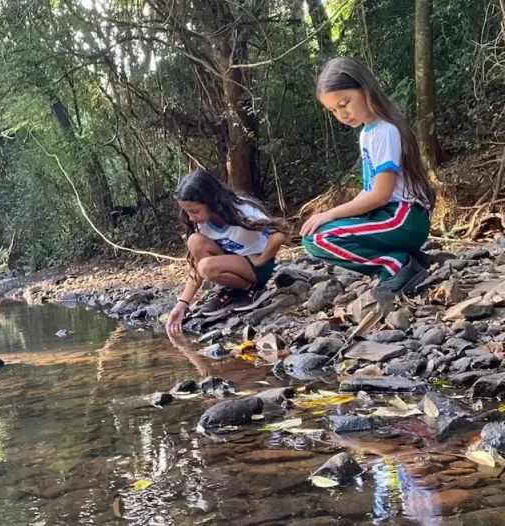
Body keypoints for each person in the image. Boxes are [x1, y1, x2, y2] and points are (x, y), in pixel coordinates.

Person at [301, 57, 436, 295]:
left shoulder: (385, 130)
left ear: (365, 90)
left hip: (403, 217)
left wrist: (330, 213)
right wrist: (331, 217)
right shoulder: (367, 133)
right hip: (391, 215)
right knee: (317, 235)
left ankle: (396, 265)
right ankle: (408, 258)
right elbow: (369, 190)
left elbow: (381, 195)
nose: (341, 114)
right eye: (333, 110)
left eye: (344, 103)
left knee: (320, 239)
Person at [166, 170, 287, 334]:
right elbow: (195, 264)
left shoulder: (242, 209)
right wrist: (182, 304)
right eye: (187, 212)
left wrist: (261, 260)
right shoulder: (202, 222)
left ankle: (253, 290)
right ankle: (230, 290)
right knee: (194, 241)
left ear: (211, 200)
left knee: (206, 267)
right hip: (231, 263)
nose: (191, 217)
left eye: (194, 211)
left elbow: (278, 235)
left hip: (257, 267)